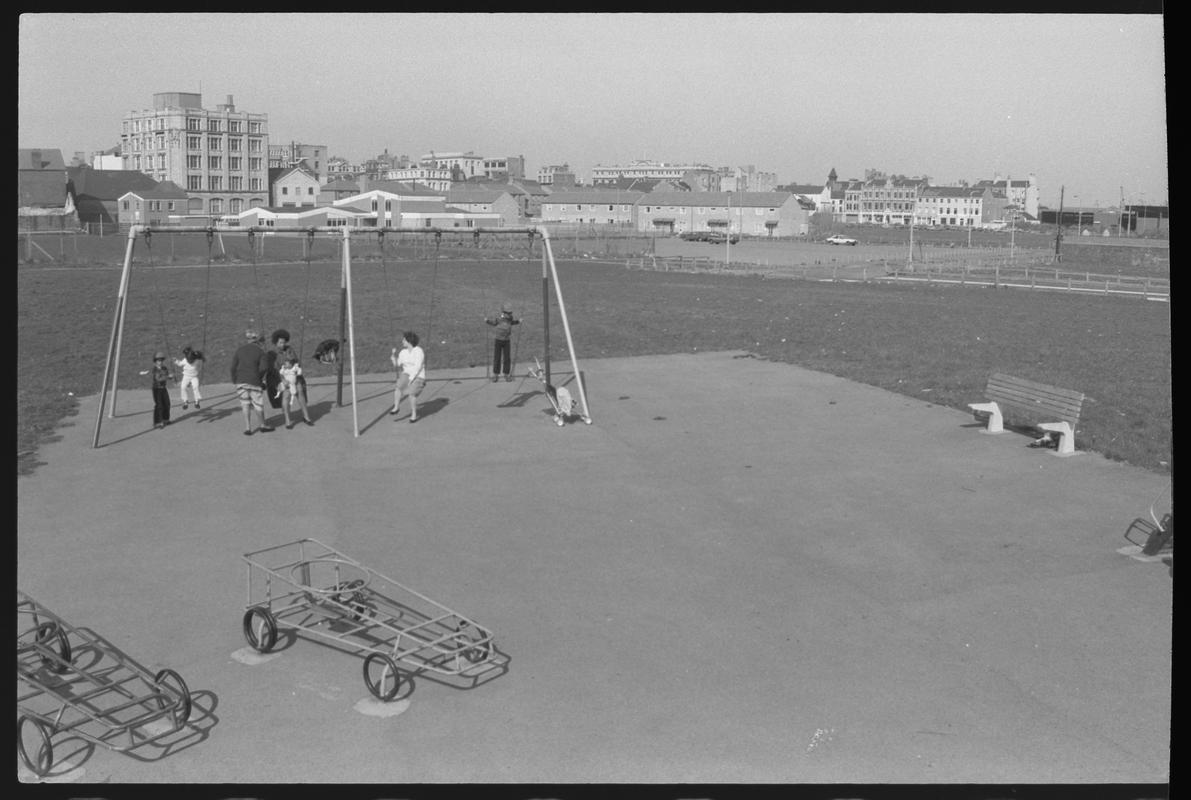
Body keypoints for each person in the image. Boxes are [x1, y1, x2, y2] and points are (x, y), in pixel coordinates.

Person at [230, 329, 273, 435]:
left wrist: (235, 379)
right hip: (254, 381)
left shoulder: (239, 350)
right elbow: (264, 368)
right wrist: (259, 378)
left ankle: (248, 428)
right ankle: (262, 425)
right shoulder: (260, 351)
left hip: (240, 381)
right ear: (257, 341)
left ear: (248, 340)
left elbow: (232, 367)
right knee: (258, 404)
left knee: (245, 404)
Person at [271, 329, 313, 428]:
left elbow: (295, 361)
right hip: (283, 378)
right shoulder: (273, 353)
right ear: (276, 342)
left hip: (294, 376)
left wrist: (296, 369)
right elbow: (274, 370)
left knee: (300, 392)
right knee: (286, 396)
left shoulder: (290, 349)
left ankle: (306, 416)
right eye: (280, 342)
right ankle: (287, 420)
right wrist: (282, 380)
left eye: (284, 342)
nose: (283, 344)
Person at [390, 331, 425, 423]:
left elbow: (417, 367)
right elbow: (397, 364)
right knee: (398, 387)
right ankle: (396, 407)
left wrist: (411, 380)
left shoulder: (418, 351)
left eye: (404, 340)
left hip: (418, 375)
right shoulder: (403, 352)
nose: (402, 341)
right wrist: (393, 357)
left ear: (409, 341)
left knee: (411, 393)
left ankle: (414, 414)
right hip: (407, 374)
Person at [484, 302, 521, 382]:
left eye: (510, 312)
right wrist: (487, 321)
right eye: (508, 313)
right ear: (504, 312)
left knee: (507, 358)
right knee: (497, 358)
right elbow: (494, 323)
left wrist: (518, 321)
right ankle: (496, 375)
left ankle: (506, 374)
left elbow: (512, 323)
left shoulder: (510, 318)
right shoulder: (499, 318)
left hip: (507, 340)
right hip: (498, 340)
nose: (510, 314)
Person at [150, 352, 175, 430]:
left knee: (167, 403)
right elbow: (158, 379)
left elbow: (166, 376)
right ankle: (158, 422)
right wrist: (168, 377)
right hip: (157, 389)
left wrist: (171, 376)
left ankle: (165, 419)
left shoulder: (164, 368)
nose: (160, 362)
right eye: (158, 360)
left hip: (163, 388)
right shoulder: (155, 369)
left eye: (161, 360)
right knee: (159, 405)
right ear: (155, 361)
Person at [175, 345, 204, 410]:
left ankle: (197, 401)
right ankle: (185, 401)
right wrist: (176, 361)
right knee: (183, 387)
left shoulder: (197, 360)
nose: (190, 361)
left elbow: (200, 363)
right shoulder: (185, 360)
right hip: (186, 376)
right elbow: (180, 364)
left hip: (194, 376)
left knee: (196, 387)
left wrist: (201, 357)